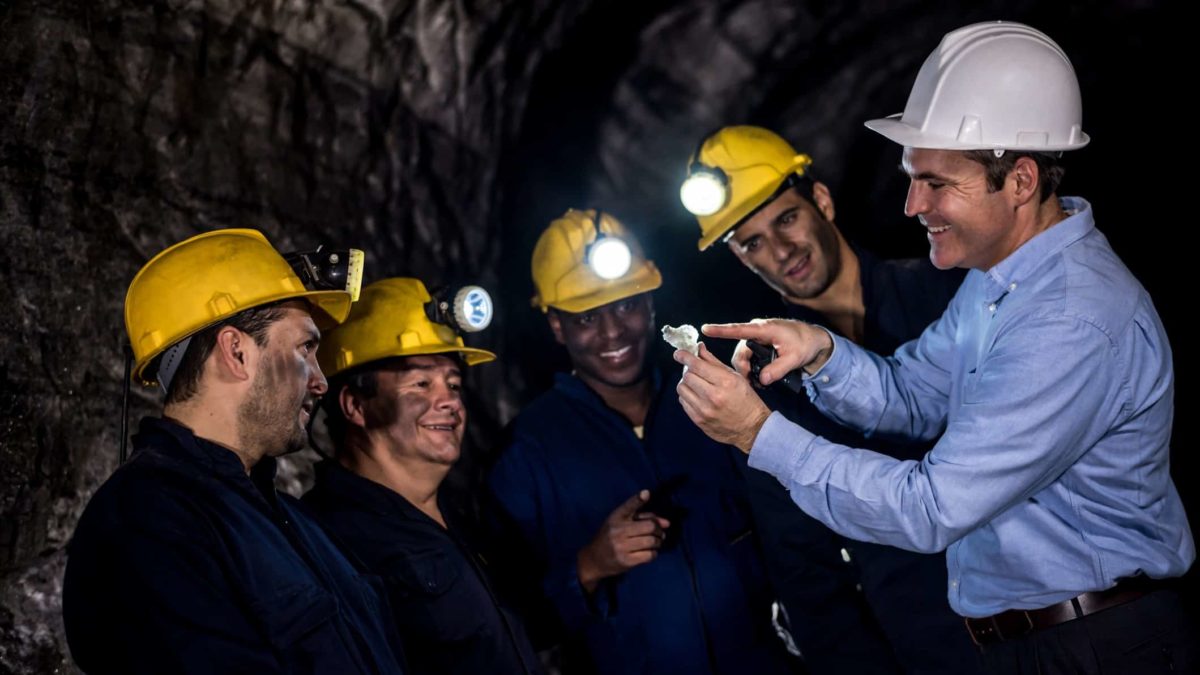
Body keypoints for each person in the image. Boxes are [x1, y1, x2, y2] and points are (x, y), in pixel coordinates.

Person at [673, 21, 1196, 674]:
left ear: (1022, 180)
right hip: (1025, 642)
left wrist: (760, 433)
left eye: (936, 183)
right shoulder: (998, 282)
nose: (913, 203)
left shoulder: (1068, 318)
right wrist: (822, 353)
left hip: (1096, 644)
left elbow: (932, 506)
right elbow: (912, 393)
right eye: (911, 177)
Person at [678, 125, 978, 674]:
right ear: (742, 261)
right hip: (922, 647)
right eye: (752, 243)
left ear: (821, 200)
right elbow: (804, 571)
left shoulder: (951, 294)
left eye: (786, 219)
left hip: (1037, 614)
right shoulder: (768, 389)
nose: (781, 249)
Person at [62, 229, 405, 674]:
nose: (320, 381)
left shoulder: (289, 520)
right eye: (305, 348)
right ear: (237, 352)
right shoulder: (144, 528)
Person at [488, 209, 797, 675]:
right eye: (587, 316)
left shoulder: (717, 397)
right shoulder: (526, 453)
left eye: (627, 304)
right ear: (556, 325)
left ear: (650, 302)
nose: (613, 331)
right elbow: (511, 627)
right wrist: (588, 568)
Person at [302, 277, 543, 675]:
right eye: (420, 384)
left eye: (453, 383)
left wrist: (589, 569)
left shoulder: (455, 518)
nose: (449, 400)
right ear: (355, 406)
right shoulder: (332, 542)